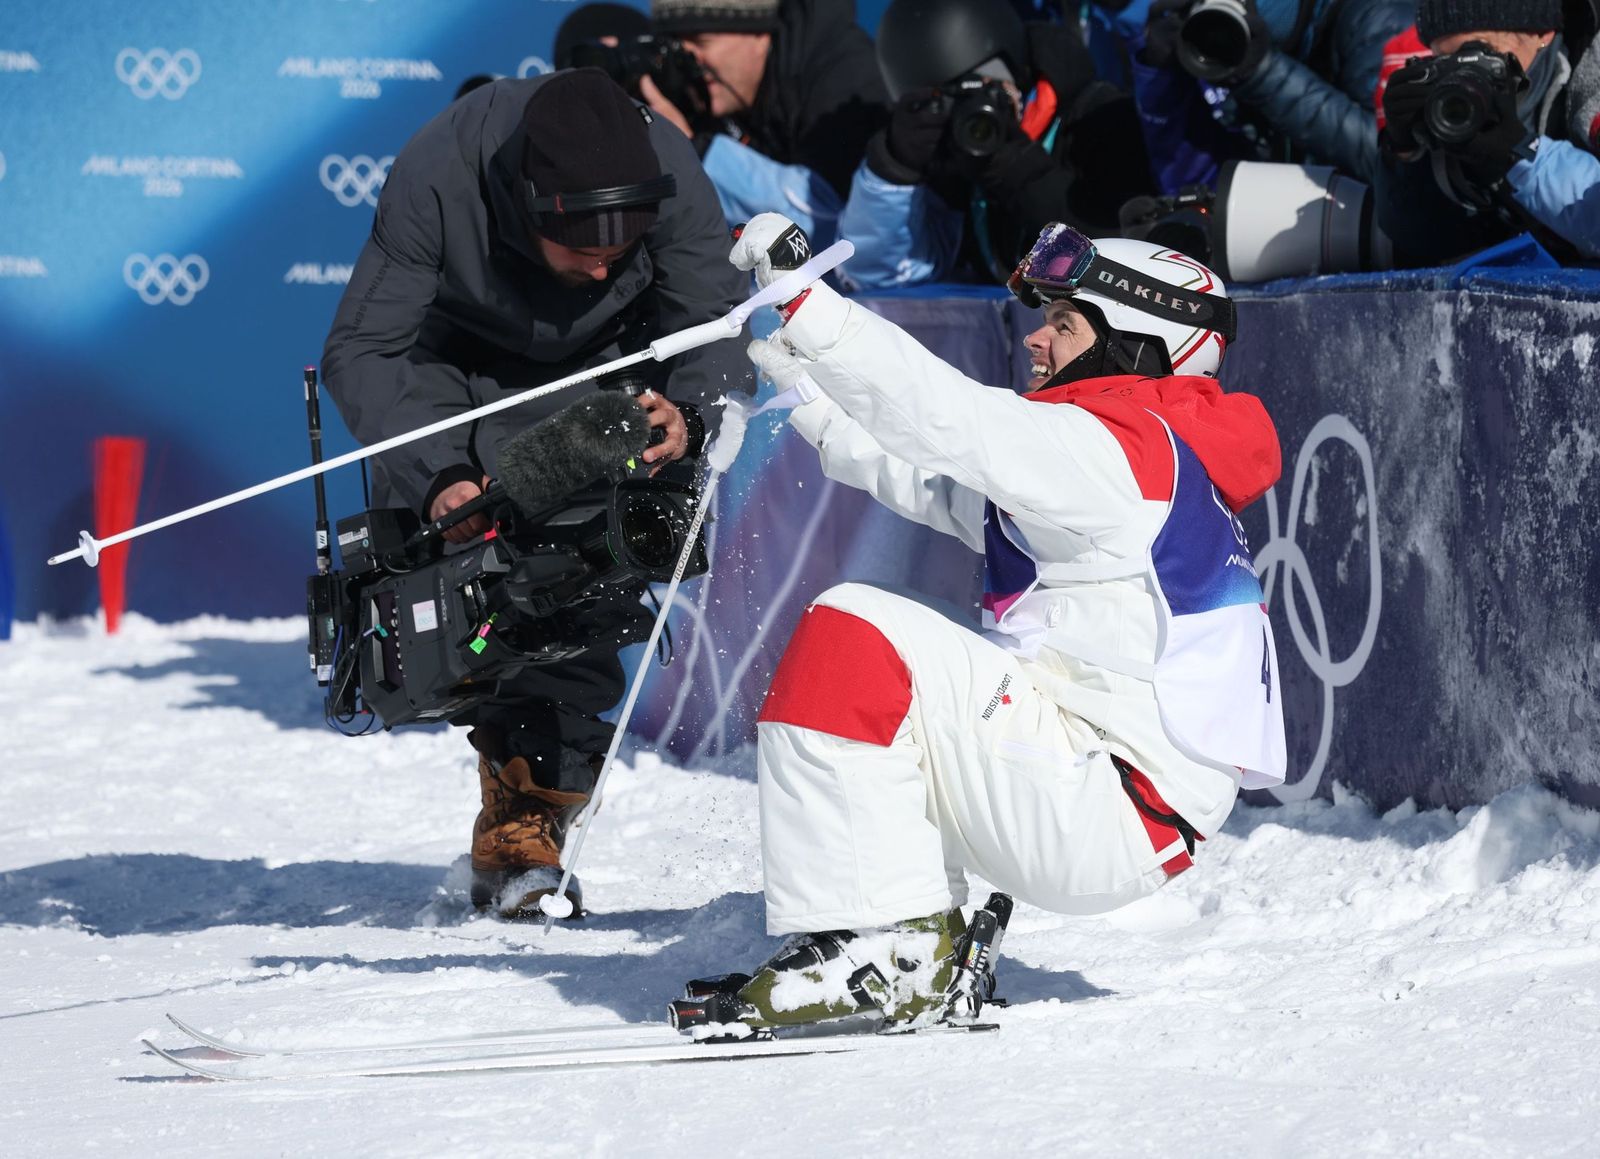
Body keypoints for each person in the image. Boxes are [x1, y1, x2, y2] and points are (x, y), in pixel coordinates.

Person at [694, 212, 1285, 1029]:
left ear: (1139, 344)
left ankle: (894, 945)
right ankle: (912, 929)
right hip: (1112, 802)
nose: (1036, 340)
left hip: (1104, 802)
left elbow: (952, 420)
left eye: (1064, 323)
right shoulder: (1132, 458)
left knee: (855, 631)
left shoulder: (1120, 449)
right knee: (903, 664)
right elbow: (934, 480)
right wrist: (805, 399)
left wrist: (813, 310)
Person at [321, 70, 751, 919]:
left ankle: (528, 823)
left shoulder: (672, 175)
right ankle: (504, 768)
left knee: (569, 595)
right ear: (530, 205)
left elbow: (715, 322)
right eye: (584, 249)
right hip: (454, 371)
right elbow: (363, 350)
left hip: (607, 383)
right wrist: (440, 474)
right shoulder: (436, 173)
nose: (602, 268)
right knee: (471, 614)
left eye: (619, 251)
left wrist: (693, 418)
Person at [837, 0, 1157, 289]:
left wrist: (1013, 165)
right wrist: (894, 167)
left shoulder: (1100, 122)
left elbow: (1118, 267)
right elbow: (882, 274)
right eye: (951, 103)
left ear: (1014, 70)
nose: (972, 119)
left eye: (982, 92)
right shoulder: (955, 158)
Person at [642, 0, 889, 240]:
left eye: (700, 43)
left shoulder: (842, 79)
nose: (686, 62)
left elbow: (826, 226)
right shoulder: (700, 92)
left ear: (760, 34)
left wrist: (695, 151)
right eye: (675, 46)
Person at [1377, 0, 1600, 263]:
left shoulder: (1590, 80)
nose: (1466, 71)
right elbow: (1422, 247)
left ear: (1541, 33)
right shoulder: (1448, 106)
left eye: (1485, 52)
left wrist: (1517, 152)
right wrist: (1404, 152)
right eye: (1447, 59)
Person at [1103, 0, 1412, 187]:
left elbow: (1395, 162)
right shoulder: (1213, 38)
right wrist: (1160, 75)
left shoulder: (1378, 16)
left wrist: (1263, 74)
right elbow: (1191, 182)